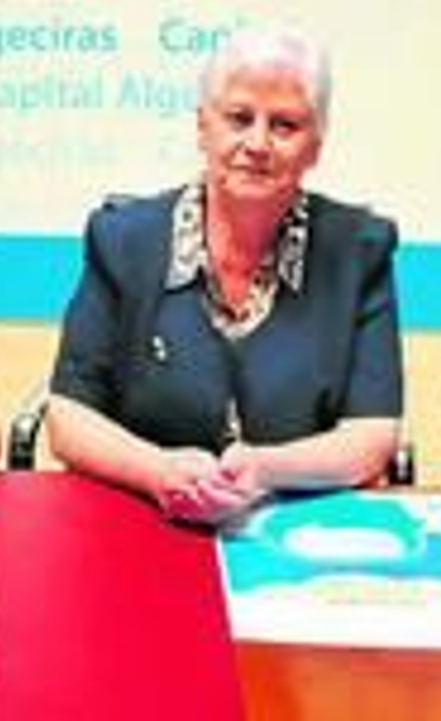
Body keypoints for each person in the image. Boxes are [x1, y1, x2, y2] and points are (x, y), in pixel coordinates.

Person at [45, 26, 403, 524]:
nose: (257, 143)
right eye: (239, 118)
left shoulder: (359, 251)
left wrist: (265, 469)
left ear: (315, 147)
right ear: (203, 127)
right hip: (145, 518)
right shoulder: (123, 241)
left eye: (284, 126)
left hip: (297, 527)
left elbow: (373, 435)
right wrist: (157, 470)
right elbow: (68, 419)